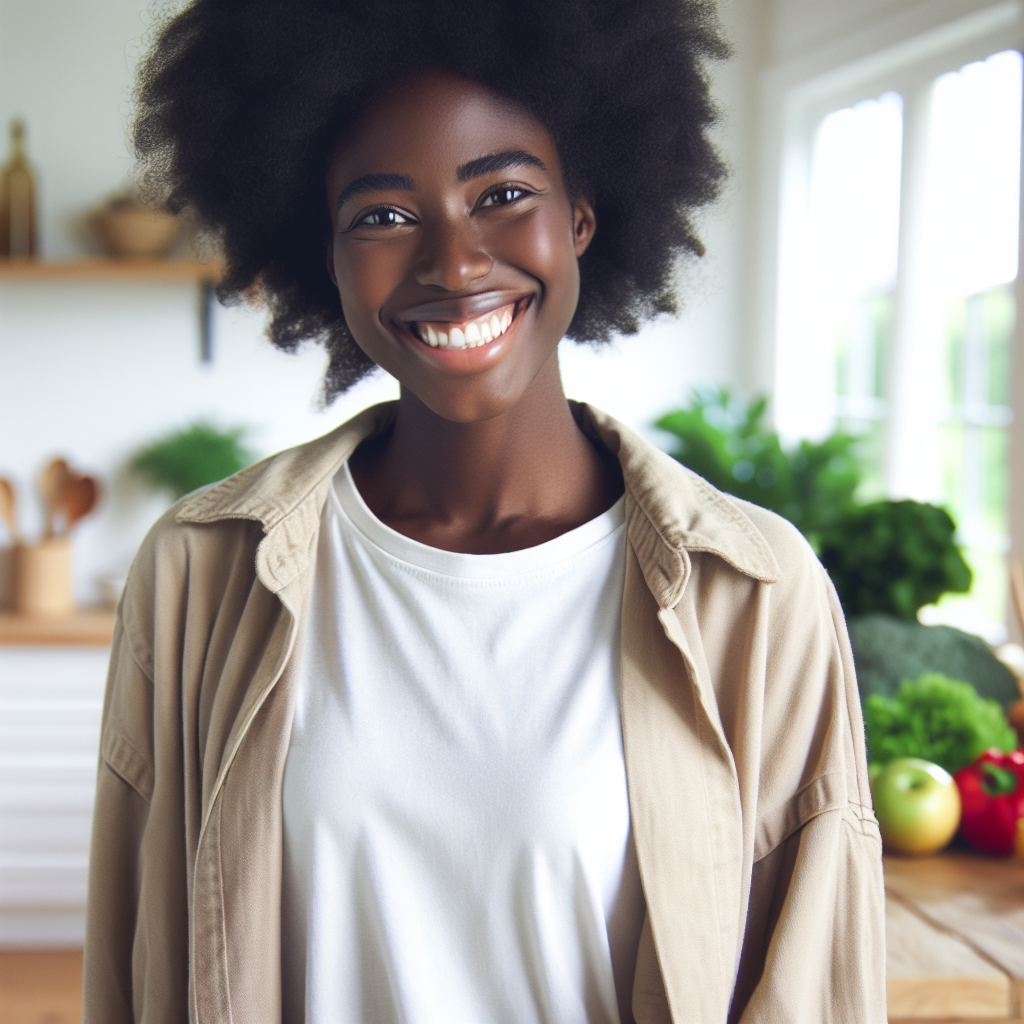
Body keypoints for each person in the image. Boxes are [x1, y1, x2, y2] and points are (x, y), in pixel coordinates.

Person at [83, 0, 886, 1021]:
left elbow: (811, 989)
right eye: (381, 215)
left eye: (501, 193)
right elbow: (134, 959)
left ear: (582, 214)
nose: (453, 264)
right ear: (318, 252)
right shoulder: (200, 571)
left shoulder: (759, 594)